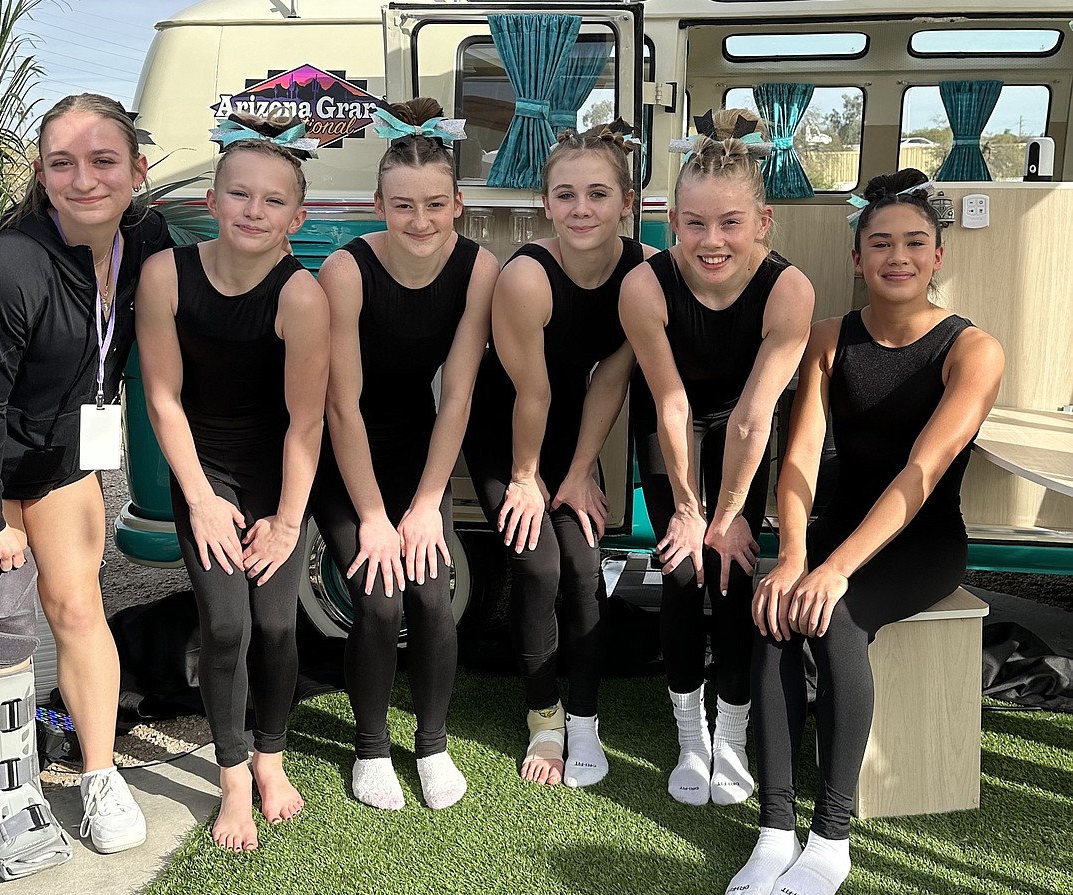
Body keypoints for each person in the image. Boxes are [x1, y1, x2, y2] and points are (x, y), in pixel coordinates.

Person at [0, 94, 174, 879]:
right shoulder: (7, 266)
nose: (84, 179)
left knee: (78, 606)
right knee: (4, 617)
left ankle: (99, 775)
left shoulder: (146, 238)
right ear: (40, 173)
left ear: (137, 169)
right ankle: (12, 794)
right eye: (62, 163)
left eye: (103, 161)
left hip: (59, 455)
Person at [730, 169, 1003, 895]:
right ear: (857, 258)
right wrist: (792, 559)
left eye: (915, 243)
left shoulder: (973, 349)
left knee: (838, 621)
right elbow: (798, 456)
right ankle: (776, 827)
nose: (898, 257)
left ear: (938, 255)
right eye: (880, 243)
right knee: (777, 615)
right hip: (834, 527)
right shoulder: (827, 342)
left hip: (923, 539)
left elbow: (924, 471)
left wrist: (836, 571)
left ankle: (831, 839)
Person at [136, 114, 329, 851]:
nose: (255, 211)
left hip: (276, 472)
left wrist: (285, 521)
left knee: (277, 624)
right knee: (225, 625)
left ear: (296, 217)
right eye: (240, 195)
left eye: (274, 201)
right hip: (204, 470)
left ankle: (271, 757)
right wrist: (202, 500)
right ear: (212, 202)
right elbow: (162, 398)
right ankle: (234, 778)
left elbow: (304, 426)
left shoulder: (301, 297)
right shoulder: (167, 275)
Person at [620, 108, 814, 807]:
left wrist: (730, 514)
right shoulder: (645, 286)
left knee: (730, 569)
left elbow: (755, 414)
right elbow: (671, 404)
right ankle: (689, 736)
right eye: (695, 223)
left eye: (730, 222)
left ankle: (731, 733)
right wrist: (688, 510)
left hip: (741, 420)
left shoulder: (788, 291)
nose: (711, 240)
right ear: (672, 220)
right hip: (669, 417)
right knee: (681, 569)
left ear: (763, 222)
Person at [313, 98, 497, 811]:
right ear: (377, 204)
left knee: (433, 589)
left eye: (433, 205)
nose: (419, 221)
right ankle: (369, 748)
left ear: (457, 202)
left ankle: (431, 743)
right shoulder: (347, 270)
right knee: (380, 598)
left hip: (418, 449)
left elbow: (455, 397)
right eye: (402, 206)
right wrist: (372, 517)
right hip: (345, 455)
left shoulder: (477, 269)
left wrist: (427, 505)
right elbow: (341, 405)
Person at [464, 122, 652, 789]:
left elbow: (610, 377)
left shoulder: (642, 271)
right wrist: (524, 479)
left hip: (573, 421)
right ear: (546, 203)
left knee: (584, 566)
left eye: (598, 194)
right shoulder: (526, 277)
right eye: (565, 194)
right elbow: (531, 392)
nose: (581, 208)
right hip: (503, 420)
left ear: (627, 202)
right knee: (540, 565)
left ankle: (585, 719)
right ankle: (543, 717)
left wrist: (577, 473)